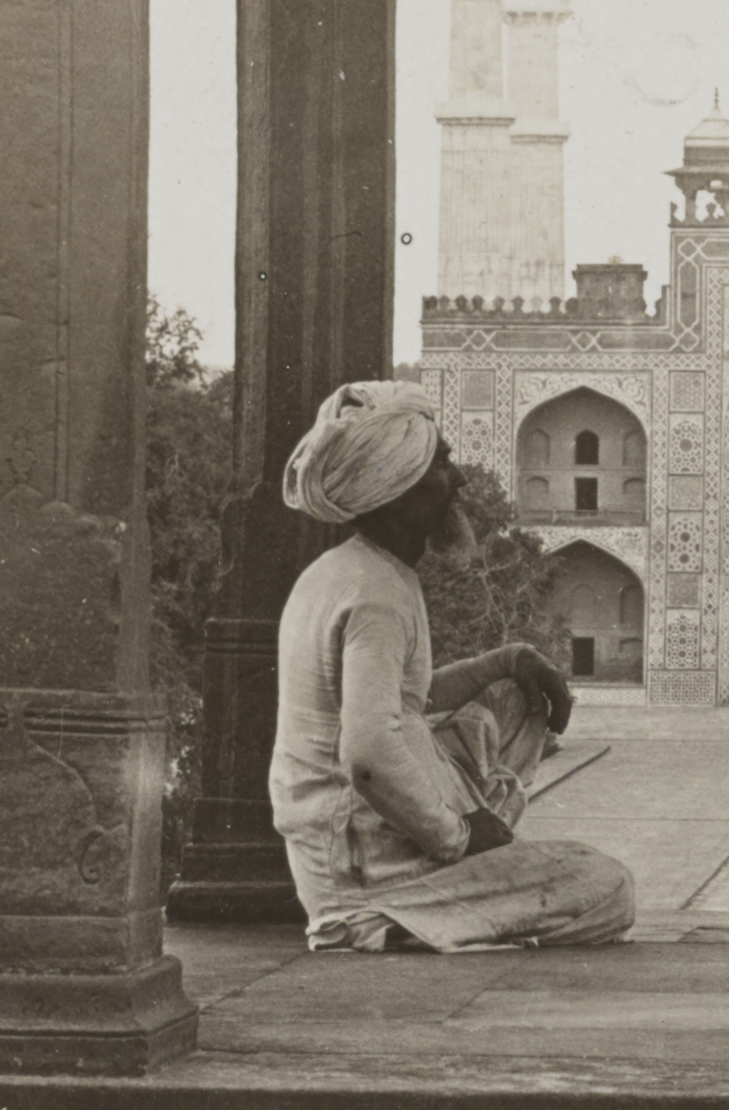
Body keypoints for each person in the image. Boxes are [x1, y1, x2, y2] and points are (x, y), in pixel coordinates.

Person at [269, 379, 641, 953]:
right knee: (605, 885)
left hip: (347, 843)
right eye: (440, 465)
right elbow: (367, 753)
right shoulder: (374, 594)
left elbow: (400, 705)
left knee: (513, 698)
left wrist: (510, 660)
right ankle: (407, 914)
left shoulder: (353, 571)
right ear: (397, 489)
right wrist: (458, 837)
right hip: (362, 875)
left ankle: (469, 873)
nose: (459, 480)